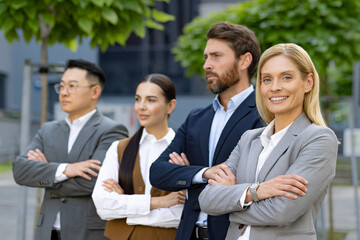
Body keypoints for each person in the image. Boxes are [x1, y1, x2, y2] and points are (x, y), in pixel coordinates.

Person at [198, 43, 339, 240]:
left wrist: (232, 199)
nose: (275, 87)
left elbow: (282, 212)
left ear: (308, 82)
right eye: (267, 79)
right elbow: (207, 200)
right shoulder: (249, 139)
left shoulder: (318, 139)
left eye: (287, 77)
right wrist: (257, 191)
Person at [149, 22, 262, 240]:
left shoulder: (264, 116)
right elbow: (158, 172)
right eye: (205, 57)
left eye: (216, 56)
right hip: (189, 233)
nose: (206, 65)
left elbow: (254, 181)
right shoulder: (196, 118)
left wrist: (187, 174)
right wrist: (202, 173)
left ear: (244, 61)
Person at [12, 59, 128, 240]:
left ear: (95, 91)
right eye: (61, 86)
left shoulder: (112, 130)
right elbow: (20, 171)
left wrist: (47, 172)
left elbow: (94, 182)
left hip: (87, 232)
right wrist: (65, 169)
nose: (64, 92)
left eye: (72, 86)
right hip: (47, 230)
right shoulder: (48, 129)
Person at [92, 73, 185, 240]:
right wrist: (158, 202)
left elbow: (182, 214)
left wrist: (125, 207)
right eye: (137, 99)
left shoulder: (184, 152)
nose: (141, 106)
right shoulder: (119, 148)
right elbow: (102, 206)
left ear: (170, 106)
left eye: (151, 100)